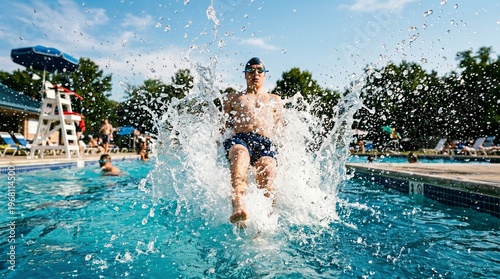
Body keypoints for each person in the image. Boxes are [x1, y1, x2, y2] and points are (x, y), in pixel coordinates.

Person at [222, 57, 284, 226]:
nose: (255, 74)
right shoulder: (233, 98)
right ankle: (238, 204)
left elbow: (281, 129)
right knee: (240, 155)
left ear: (264, 75)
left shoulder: (274, 99)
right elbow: (222, 127)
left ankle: (265, 222)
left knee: (269, 171)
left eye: (259, 70)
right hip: (240, 139)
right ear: (245, 75)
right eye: (250, 70)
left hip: (265, 143)